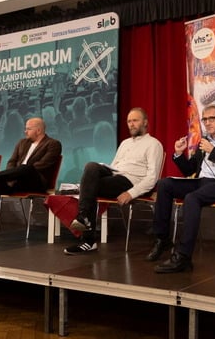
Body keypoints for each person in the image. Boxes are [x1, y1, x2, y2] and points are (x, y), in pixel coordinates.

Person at [150, 104, 215, 273]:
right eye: (204, 119)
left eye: (211, 118)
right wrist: (179, 154)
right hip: (201, 182)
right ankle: (162, 238)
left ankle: (183, 256)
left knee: (192, 198)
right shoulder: (204, 141)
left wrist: (214, 152)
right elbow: (189, 169)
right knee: (165, 184)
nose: (207, 123)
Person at [65, 107, 164, 255]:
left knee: (90, 188)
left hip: (130, 181)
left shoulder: (154, 144)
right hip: (115, 176)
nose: (131, 124)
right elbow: (114, 166)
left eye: (135, 120)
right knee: (91, 166)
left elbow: (152, 177)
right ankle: (84, 216)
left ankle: (88, 239)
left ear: (145, 122)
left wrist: (131, 193)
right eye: (129, 121)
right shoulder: (125, 143)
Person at [0, 117, 62, 244]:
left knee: (27, 168)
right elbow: (11, 162)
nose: (25, 131)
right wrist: (11, 176)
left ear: (38, 130)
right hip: (15, 180)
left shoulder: (53, 144)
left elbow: (42, 165)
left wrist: (17, 173)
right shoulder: (22, 143)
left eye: (28, 129)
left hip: (35, 181)